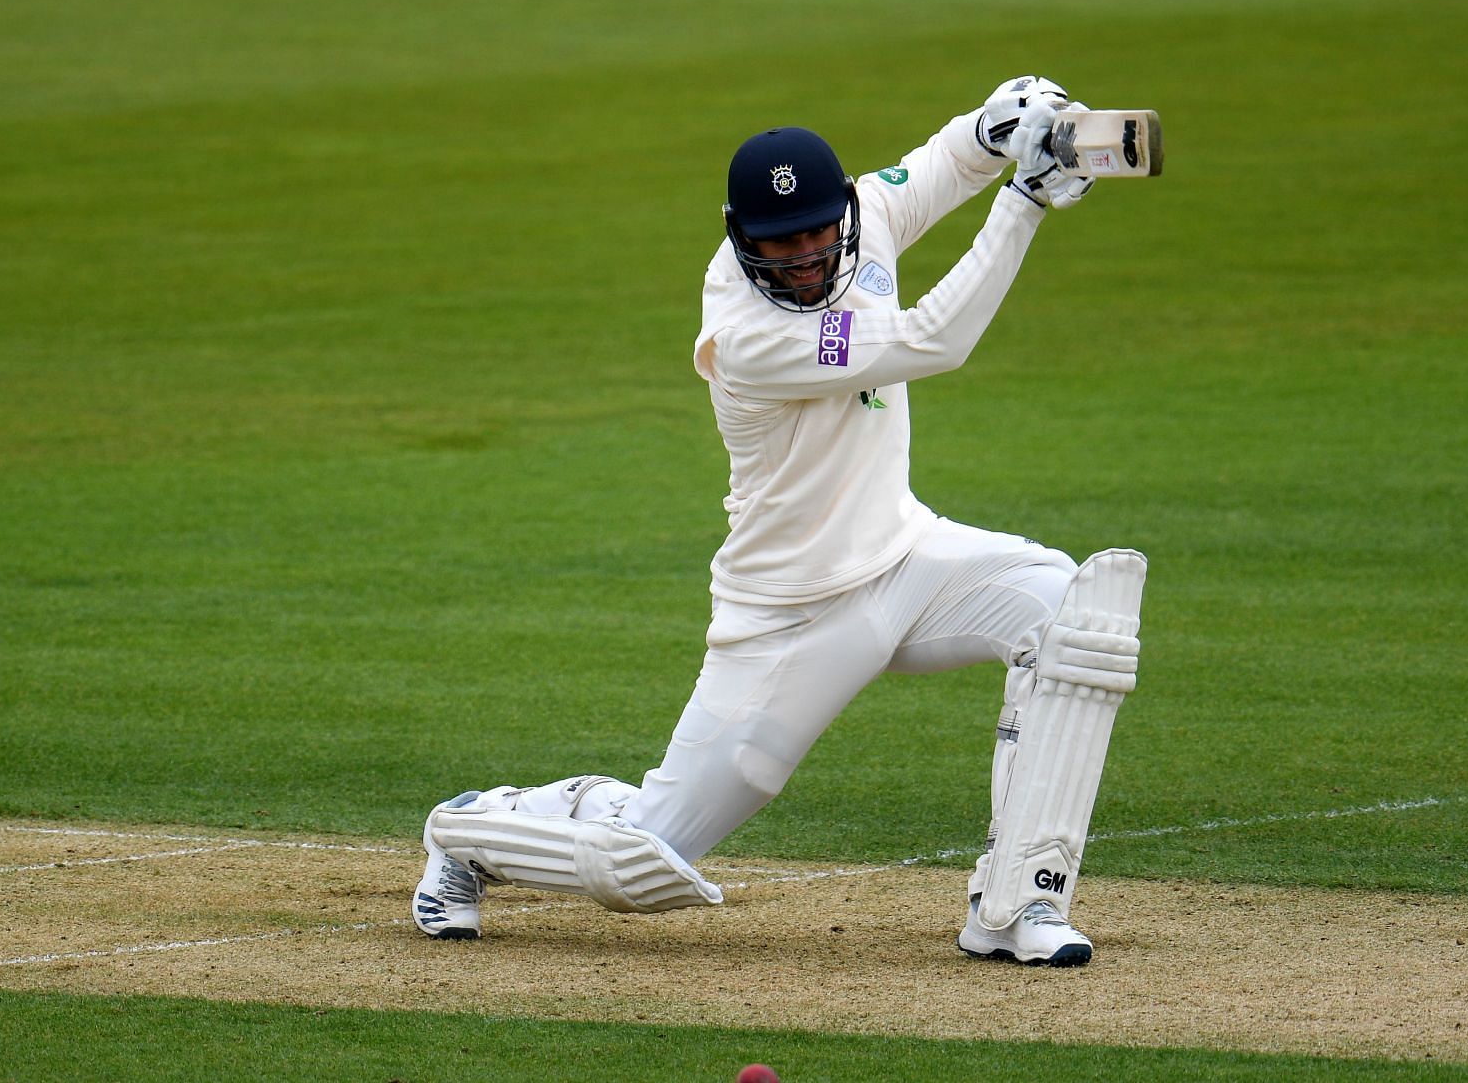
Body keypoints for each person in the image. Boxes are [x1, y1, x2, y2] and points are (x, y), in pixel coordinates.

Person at [410, 78, 1148, 966]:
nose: (802, 257)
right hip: (790, 615)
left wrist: (998, 126)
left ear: (839, 214)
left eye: (813, 235)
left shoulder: (862, 216)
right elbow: (932, 343)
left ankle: (1017, 904)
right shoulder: (749, 336)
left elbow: (942, 164)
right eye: (777, 244)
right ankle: (469, 831)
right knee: (642, 862)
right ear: (741, 241)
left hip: (905, 557)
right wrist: (1023, 201)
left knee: (1069, 612)